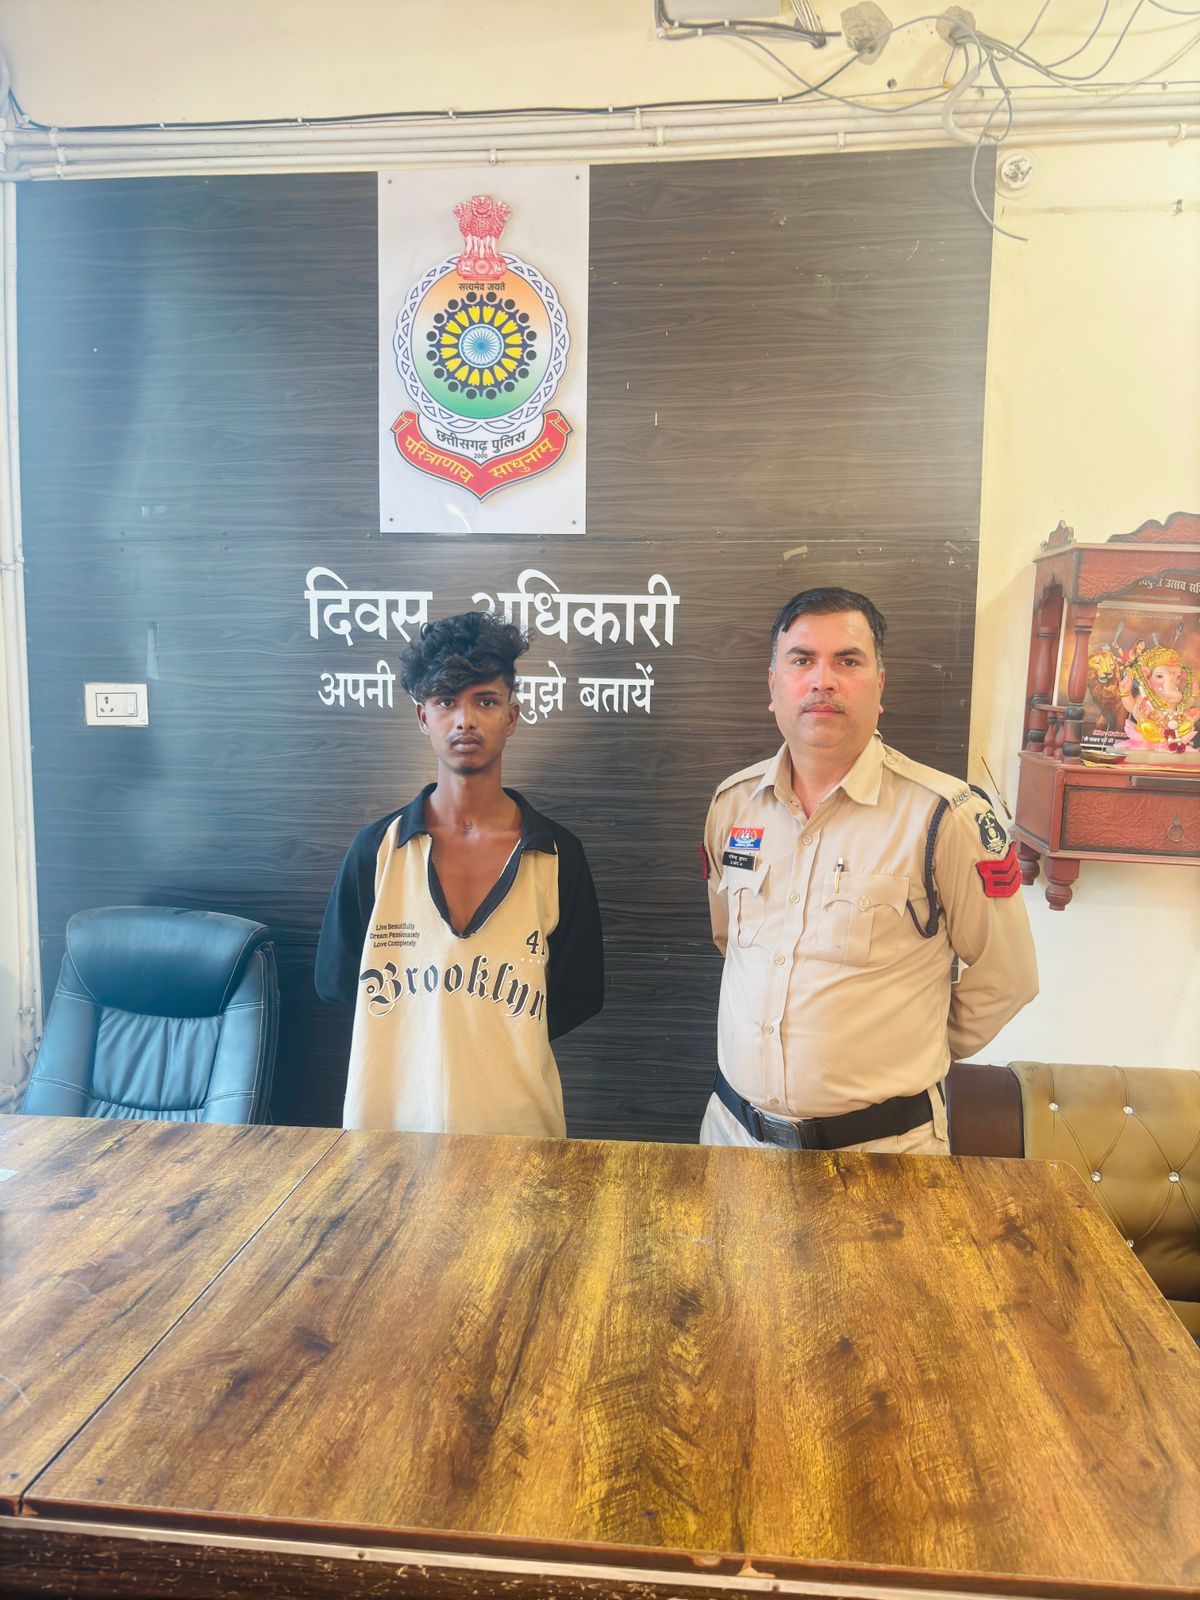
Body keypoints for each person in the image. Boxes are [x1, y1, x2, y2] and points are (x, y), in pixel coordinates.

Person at [699, 586, 1038, 1154]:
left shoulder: (946, 816)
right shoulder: (733, 805)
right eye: (802, 660)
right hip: (734, 1139)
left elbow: (1009, 977)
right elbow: (727, 940)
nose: (823, 680)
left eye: (848, 661)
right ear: (773, 685)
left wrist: (914, 1043)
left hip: (883, 1153)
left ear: (880, 685)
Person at [316, 611, 603, 1136]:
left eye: (485, 701)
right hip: (390, 1139)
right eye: (446, 701)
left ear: (512, 716)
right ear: (423, 717)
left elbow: (577, 995)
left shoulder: (558, 856)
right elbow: (337, 983)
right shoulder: (375, 853)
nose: (464, 720)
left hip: (522, 1142)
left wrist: (492, 1036)